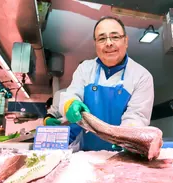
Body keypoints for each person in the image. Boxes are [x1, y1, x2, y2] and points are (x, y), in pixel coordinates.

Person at [59, 16, 154, 151]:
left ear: (126, 41)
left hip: (123, 154)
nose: (108, 43)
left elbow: (137, 117)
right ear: (95, 44)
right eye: (102, 38)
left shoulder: (141, 76)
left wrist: (126, 137)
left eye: (115, 37)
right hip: (86, 154)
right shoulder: (85, 69)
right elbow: (71, 95)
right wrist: (70, 104)